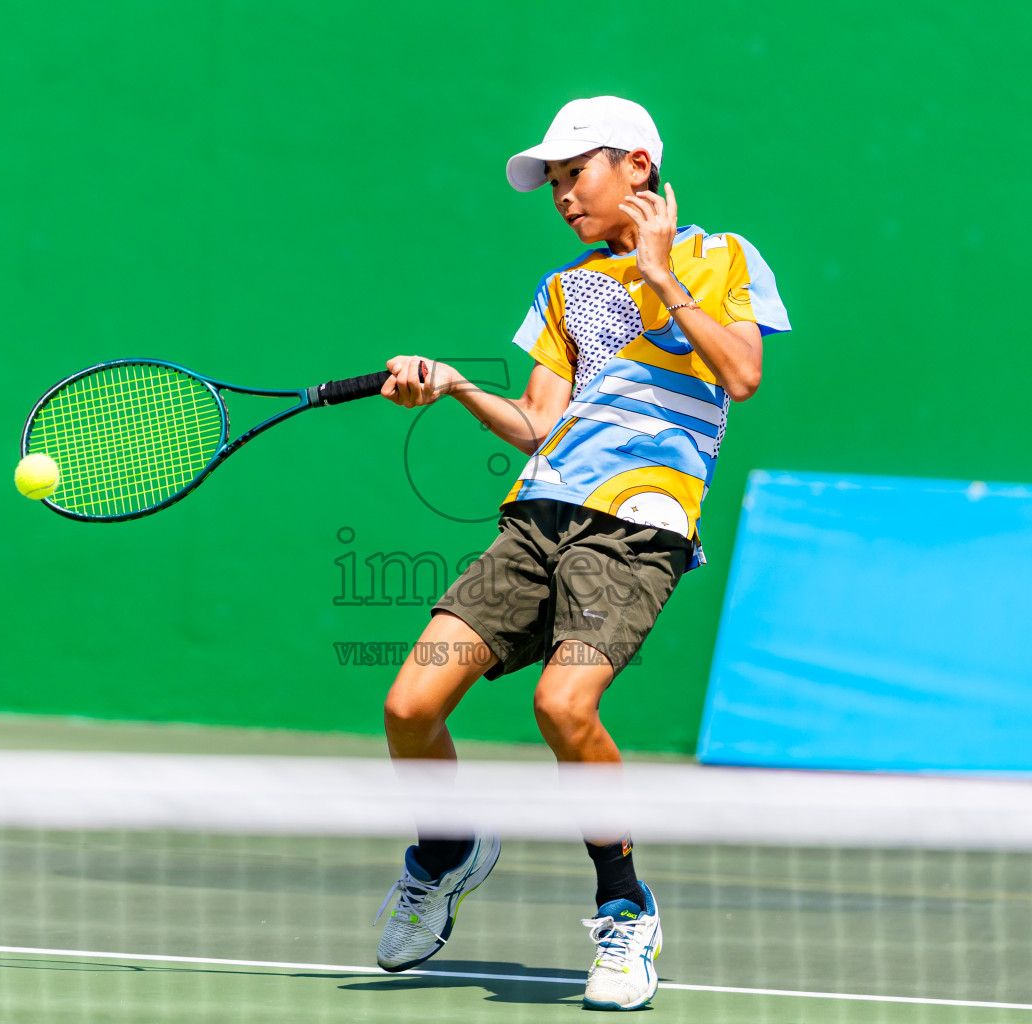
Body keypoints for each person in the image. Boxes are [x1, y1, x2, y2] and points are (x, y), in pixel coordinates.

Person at [372, 94, 791, 1011]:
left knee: (563, 704)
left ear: (638, 166)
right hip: (538, 518)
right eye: (554, 182)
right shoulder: (563, 288)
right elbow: (537, 424)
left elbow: (744, 375)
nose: (563, 195)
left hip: (639, 527)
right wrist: (449, 388)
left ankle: (624, 906)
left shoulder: (722, 258)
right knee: (410, 704)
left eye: (577, 173)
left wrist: (658, 272)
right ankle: (446, 851)